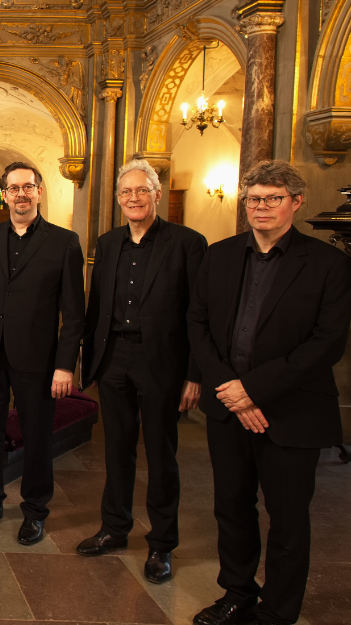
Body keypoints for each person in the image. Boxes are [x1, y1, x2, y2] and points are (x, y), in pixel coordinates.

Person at [187, 160, 351, 625]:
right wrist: (229, 391)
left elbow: (327, 343)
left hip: (292, 411)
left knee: (288, 519)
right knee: (232, 509)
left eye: (272, 198)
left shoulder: (329, 265)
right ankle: (237, 593)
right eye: (254, 199)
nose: (261, 207)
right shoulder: (218, 256)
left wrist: (251, 391)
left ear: (295, 203)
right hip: (228, 409)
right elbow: (197, 325)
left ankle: (278, 611)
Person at [77, 159, 207, 583]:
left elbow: (198, 314)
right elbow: (97, 305)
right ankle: (114, 528)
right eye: (126, 193)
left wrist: (194, 374)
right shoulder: (109, 242)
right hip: (115, 356)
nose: (133, 199)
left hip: (162, 363)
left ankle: (162, 544)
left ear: (156, 193)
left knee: (161, 455)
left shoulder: (187, 243)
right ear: (118, 200)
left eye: (141, 191)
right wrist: (91, 360)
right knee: (116, 451)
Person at [0, 161, 85, 545]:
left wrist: (65, 365)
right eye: (14, 188)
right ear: (5, 195)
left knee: (37, 434)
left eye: (28, 187)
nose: (21, 194)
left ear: (39, 192)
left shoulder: (64, 242)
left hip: (38, 359)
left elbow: (74, 314)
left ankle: (35, 510)